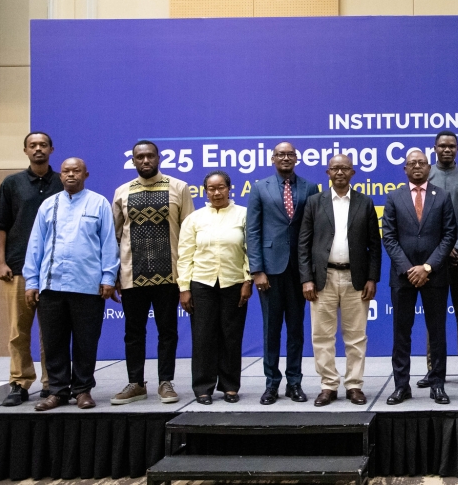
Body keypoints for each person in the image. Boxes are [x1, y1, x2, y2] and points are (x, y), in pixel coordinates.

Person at [23, 158, 119, 411]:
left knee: (86, 342)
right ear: (60, 175)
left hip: (87, 286)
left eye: (76, 171)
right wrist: (31, 281)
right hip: (51, 286)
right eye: (66, 171)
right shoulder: (48, 205)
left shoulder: (98, 203)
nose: (71, 175)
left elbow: (109, 242)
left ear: (86, 174)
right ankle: (57, 392)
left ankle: (83, 390)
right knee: (54, 342)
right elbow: (36, 245)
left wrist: (108, 278)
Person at [110, 140, 194, 405]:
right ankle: (136, 383)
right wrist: (113, 275)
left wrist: (186, 277)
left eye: (150, 156)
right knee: (133, 332)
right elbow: (114, 236)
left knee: (167, 331)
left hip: (169, 275)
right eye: (140, 157)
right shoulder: (122, 192)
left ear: (159, 158)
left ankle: (165, 382)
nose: (145, 161)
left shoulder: (178, 187)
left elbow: (189, 234)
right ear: (133, 160)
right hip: (131, 274)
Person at [299, 154, 381, 406]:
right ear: (328, 173)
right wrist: (306, 278)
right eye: (335, 168)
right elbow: (304, 244)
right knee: (322, 336)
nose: (340, 172)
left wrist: (372, 278)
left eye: (345, 168)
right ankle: (328, 385)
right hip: (322, 279)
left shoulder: (365, 202)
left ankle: (354, 385)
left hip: (355, 279)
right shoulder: (314, 202)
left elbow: (374, 246)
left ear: (353, 173)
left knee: (356, 336)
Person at [382, 150, 457, 405]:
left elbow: (449, 235)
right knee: (401, 333)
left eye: (421, 163)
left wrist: (427, 267)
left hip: (434, 276)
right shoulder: (394, 197)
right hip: (403, 277)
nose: (417, 166)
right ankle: (401, 386)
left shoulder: (442, 196)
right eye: (412, 163)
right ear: (405, 169)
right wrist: (408, 268)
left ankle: (437, 384)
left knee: (437, 332)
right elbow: (389, 237)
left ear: (428, 167)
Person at [246, 142, 319, 404]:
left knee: (296, 330)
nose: (285, 158)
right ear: (273, 158)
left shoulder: (310, 187)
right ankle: (271, 384)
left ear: (296, 158)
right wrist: (257, 270)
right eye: (281, 154)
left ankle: (294, 383)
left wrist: (310, 272)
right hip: (270, 269)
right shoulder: (260, 187)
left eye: (290, 154)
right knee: (271, 329)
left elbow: (314, 231)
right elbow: (253, 230)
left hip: (300, 270)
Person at [177, 171, 252, 404]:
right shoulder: (194, 219)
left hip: (234, 282)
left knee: (231, 336)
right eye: (211, 188)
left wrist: (247, 280)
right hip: (202, 284)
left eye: (221, 188)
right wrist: (184, 288)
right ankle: (203, 387)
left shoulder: (244, 215)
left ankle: (230, 386)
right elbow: (184, 256)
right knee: (203, 337)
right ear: (205, 191)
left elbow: (251, 251)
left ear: (229, 189)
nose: (216, 192)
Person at [0, 132, 60, 406]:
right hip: (18, 267)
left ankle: (51, 383)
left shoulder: (62, 182)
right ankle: (19, 382)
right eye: (32, 145)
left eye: (43, 145)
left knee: (52, 332)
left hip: (55, 269)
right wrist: (0, 262)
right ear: (25, 151)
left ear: (51, 149)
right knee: (18, 330)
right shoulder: (12, 184)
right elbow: (1, 226)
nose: (38, 149)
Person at [420, 130, 458, 388]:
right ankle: (434, 369)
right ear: (434, 148)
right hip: (433, 259)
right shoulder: (425, 175)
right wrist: (440, 251)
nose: (447, 149)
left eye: (452, 146)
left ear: (457, 149)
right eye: (442, 145)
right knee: (434, 315)